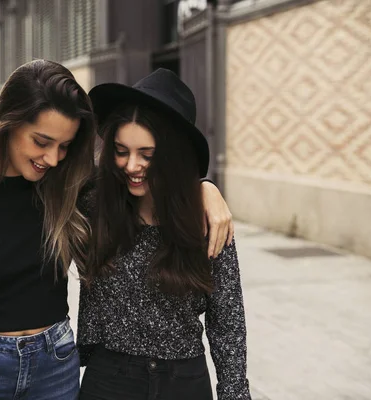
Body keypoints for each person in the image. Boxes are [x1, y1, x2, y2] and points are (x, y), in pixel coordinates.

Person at [0, 60, 234, 400]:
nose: (52, 159)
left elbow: (148, 176)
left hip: (54, 368)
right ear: (9, 122)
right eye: (41, 141)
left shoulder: (67, 188)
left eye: (64, 146)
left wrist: (203, 187)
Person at [77, 69, 251, 399]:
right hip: (110, 380)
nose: (131, 165)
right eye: (121, 150)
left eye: (147, 154)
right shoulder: (94, 204)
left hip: (184, 382)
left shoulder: (205, 220)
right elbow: (37, 178)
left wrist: (235, 393)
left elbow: (227, 322)